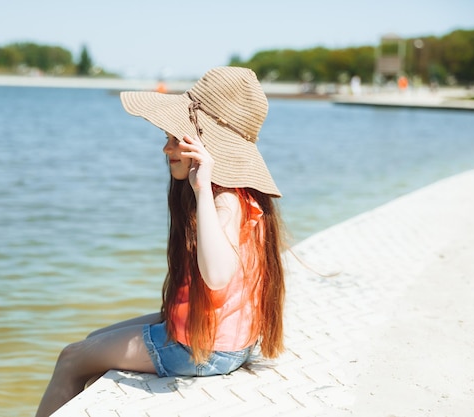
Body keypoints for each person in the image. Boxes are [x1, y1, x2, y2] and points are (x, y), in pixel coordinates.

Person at [35, 66, 286, 417]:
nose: (166, 148)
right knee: (94, 339)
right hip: (228, 339)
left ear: (204, 146)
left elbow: (217, 276)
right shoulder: (244, 195)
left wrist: (201, 190)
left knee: (70, 358)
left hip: (205, 349)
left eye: (175, 138)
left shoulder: (222, 200)